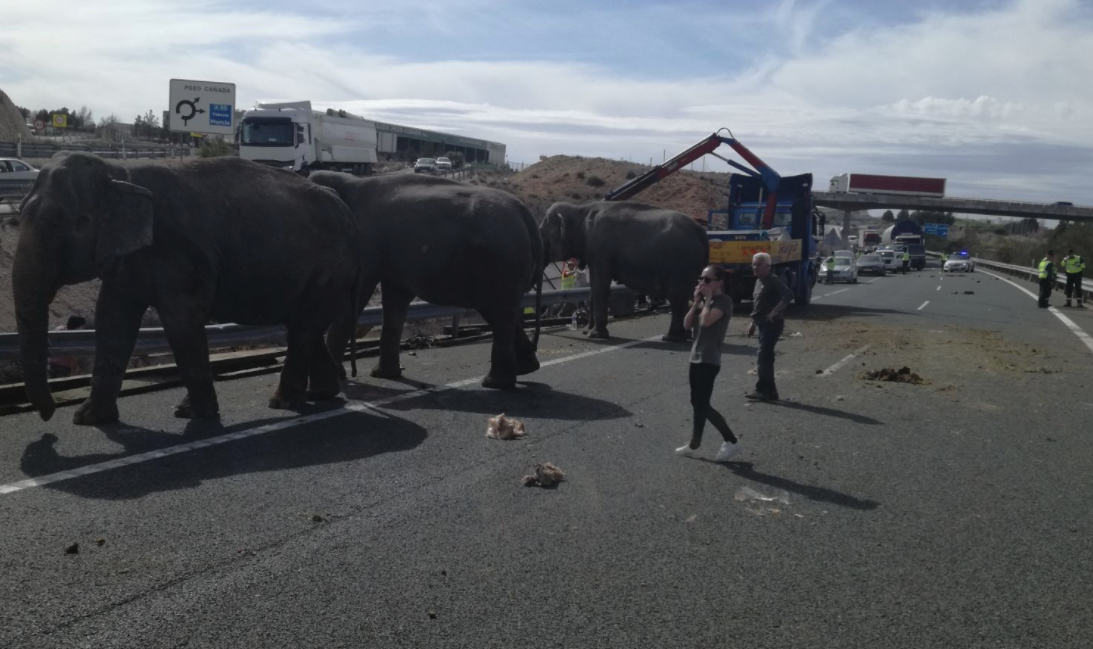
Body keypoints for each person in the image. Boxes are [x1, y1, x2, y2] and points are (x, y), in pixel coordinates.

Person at [675, 265, 740, 462]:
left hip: (709, 359)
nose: (702, 283)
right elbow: (686, 325)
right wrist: (696, 303)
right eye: (700, 279)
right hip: (695, 357)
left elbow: (706, 322)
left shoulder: (724, 301)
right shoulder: (703, 302)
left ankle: (731, 441)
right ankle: (694, 442)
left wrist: (709, 300)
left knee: (702, 403)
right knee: (697, 402)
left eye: (707, 279)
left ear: (719, 282)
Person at [746, 253, 794, 401]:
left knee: (763, 357)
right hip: (761, 323)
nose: (755, 267)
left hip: (772, 324)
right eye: (754, 264)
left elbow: (788, 295)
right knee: (765, 357)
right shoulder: (758, 282)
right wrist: (752, 323)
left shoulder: (773, 280)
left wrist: (774, 311)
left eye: (759, 264)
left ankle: (763, 390)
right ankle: (771, 391)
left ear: (768, 266)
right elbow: (758, 305)